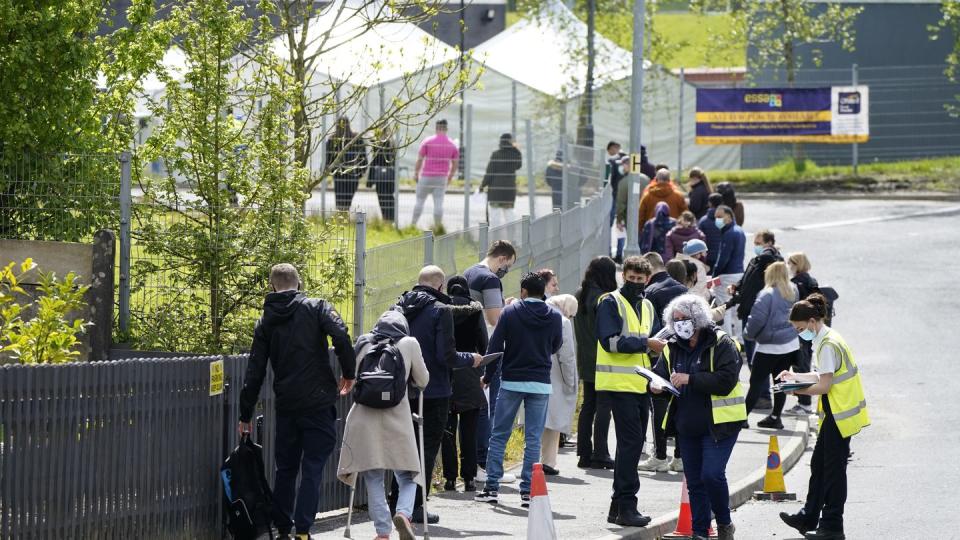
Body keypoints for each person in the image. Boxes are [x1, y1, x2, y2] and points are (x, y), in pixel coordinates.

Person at [238, 264, 356, 539]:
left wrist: (245, 414)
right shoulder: (317, 307)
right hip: (318, 402)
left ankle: (283, 529)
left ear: (272, 287)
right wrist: (349, 372)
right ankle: (303, 530)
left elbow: (254, 371)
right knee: (313, 466)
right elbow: (340, 334)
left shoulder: (266, 321)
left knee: (286, 469)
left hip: (287, 405)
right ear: (299, 283)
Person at [650, 294, 746, 540]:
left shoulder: (722, 343)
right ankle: (700, 532)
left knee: (711, 474)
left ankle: (724, 522)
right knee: (694, 482)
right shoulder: (673, 347)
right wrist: (656, 386)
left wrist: (690, 379)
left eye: (685, 318)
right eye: (676, 319)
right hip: (687, 424)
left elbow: (726, 381)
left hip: (720, 424)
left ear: (699, 318)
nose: (680, 323)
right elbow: (660, 374)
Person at [394, 265, 483, 524]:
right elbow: (447, 355)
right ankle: (417, 507)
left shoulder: (399, 306)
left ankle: (397, 503)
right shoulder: (440, 310)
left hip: (401, 388)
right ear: (440, 286)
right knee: (427, 449)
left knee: (402, 447)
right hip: (434, 390)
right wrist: (472, 359)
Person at [778, 294, 869, 540]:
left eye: (800, 329)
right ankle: (808, 516)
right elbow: (821, 376)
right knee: (820, 467)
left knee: (833, 473)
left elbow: (825, 386)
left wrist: (793, 390)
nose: (799, 334)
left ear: (811, 321)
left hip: (838, 415)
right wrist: (795, 376)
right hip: (835, 413)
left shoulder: (827, 344)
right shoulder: (827, 337)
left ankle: (832, 526)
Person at [337, 310, 428, 540]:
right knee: (408, 475)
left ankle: (382, 533)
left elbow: (352, 377)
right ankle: (404, 514)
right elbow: (423, 380)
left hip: (364, 419)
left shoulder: (364, 342)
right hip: (397, 418)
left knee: (373, 476)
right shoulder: (409, 343)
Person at [475, 273, 563, 507]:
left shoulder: (510, 313)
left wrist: (488, 376)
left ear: (523, 291)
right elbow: (556, 345)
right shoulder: (554, 315)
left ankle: (492, 487)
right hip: (540, 383)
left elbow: (495, 346)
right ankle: (528, 491)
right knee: (533, 439)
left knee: (500, 434)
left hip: (512, 380)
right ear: (542, 291)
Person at [595, 256, 666, 527]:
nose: (635, 282)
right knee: (632, 444)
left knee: (633, 445)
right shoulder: (610, 301)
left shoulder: (647, 305)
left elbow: (656, 338)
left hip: (641, 385)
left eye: (640, 279)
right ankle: (626, 506)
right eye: (631, 277)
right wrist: (646, 343)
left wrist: (655, 345)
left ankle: (618, 507)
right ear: (623, 276)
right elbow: (610, 341)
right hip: (617, 385)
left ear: (647, 279)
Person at [464, 240, 518, 482]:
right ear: (503, 259)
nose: (506, 271)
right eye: (509, 265)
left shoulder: (468, 273)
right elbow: (495, 318)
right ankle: (484, 464)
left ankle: (473, 464)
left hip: (467, 347)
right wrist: (511, 309)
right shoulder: (490, 279)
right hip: (488, 349)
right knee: (488, 409)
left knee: (473, 409)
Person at [638, 253, 687, 473]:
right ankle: (679, 456)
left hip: (659, 357)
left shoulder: (649, 293)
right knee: (679, 406)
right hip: (684, 355)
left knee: (658, 406)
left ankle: (659, 456)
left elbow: (648, 328)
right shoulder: (684, 290)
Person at [441, 276, 488, 494]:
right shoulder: (475, 310)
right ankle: (469, 478)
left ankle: (450, 478)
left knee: (447, 429)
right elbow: (483, 344)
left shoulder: (442, 309)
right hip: (470, 372)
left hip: (447, 373)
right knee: (469, 431)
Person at [728, 229, 783, 408]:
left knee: (756, 359)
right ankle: (762, 395)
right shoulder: (756, 261)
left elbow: (769, 266)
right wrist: (736, 287)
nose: (756, 246)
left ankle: (763, 396)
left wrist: (768, 253)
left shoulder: (769, 260)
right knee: (753, 359)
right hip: (747, 312)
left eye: (759, 243)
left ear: (769, 243)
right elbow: (747, 281)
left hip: (756, 316)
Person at [743, 262, 799, 429]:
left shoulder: (766, 294)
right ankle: (776, 416)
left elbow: (756, 320)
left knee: (756, 383)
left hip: (768, 345)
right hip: (789, 343)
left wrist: (748, 335)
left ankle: (742, 418)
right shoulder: (793, 290)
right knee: (780, 382)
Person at [574, 257, 618, 470]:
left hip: (585, 358)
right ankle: (601, 452)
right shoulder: (604, 298)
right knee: (604, 407)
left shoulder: (580, 295)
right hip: (603, 358)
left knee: (588, 406)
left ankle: (584, 453)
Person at [541, 293, 579, 476]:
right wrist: (571, 381)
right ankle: (548, 461)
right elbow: (567, 356)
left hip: (532, 372)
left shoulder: (536, 312)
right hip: (555, 376)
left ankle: (531, 460)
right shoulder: (563, 322)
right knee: (552, 421)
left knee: (536, 419)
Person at [785, 252, 819, 415]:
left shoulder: (798, 282)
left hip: (801, 327)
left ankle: (804, 403)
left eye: (790, 263)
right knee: (805, 360)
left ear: (797, 264)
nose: (788, 266)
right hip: (810, 328)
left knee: (801, 363)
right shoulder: (810, 280)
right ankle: (804, 402)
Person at [412, 119, 459, 229]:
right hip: (441, 178)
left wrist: (416, 173)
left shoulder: (427, 141)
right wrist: (450, 177)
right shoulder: (452, 145)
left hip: (426, 176)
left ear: (436, 128)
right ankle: (438, 227)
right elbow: (455, 164)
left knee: (419, 201)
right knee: (438, 203)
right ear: (446, 129)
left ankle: (413, 224)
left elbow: (419, 159)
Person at [711, 205, 746, 345]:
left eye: (720, 217)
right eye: (715, 217)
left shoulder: (729, 233)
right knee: (737, 308)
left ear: (729, 216)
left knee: (723, 308)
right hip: (738, 273)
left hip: (726, 276)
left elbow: (723, 258)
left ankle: (726, 340)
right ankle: (741, 340)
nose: (717, 220)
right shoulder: (739, 231)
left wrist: (714, 274)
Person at [325, 117, 368, 212]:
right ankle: (343, 218)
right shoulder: (356, 138)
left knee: (340, 200)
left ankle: (341, 219)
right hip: (352, 174)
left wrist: (330, 171)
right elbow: (363, 158)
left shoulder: (333, 139)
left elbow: (328, 159)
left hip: (340, 174)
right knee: (346, 201)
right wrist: (361, 173)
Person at [480, 133, 523, 227]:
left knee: (495, 216)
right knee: (509, 214)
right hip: (509, 190)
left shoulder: (496, 154)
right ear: (511, 142)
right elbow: (519, 166)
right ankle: (512, 237)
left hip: (496, 190)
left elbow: (489, 172)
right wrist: (515, 149)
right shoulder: (515, 155)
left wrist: (482, 185)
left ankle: (495, 239)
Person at [642, 252, 689, 335]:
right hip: (683, 339)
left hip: (660, 343)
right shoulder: (684, 289)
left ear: (648, 268)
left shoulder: (649, 293)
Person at [368, 128, 397, 222]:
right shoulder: (392, 141)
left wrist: (370, 180)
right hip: (390, 174)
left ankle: (386, 218)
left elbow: (374, 160)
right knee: (389, 197)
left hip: (380, 175)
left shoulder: (377, 143)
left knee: (382, 197)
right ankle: (390, 218)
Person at [698, 193, 725, 272]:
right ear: (722, 203)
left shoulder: (703, 221)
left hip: (708, 257)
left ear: (709, 203)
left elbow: (700, 240)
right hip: (722, 256)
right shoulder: (726, 219)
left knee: (709, 281)